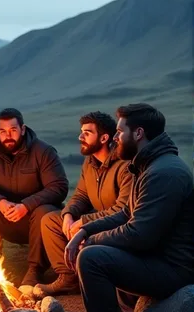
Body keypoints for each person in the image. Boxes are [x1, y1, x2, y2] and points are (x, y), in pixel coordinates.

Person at [65, 104, 194, 312]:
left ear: (138, 133)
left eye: (119, 131)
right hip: (159, 258)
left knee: (92, 258)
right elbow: (126, 213)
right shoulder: (148, 164)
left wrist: (90, 242)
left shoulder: (164, 173)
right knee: (95, 249)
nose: (114, 137)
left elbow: (139, 235)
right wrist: (85, 230)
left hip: (174, 269)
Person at [0, 108, 69, 289]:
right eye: (2, 131)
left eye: (13, 130)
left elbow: (59, 187)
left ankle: (35, 269)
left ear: (22, 129)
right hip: (4, 217)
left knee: (44, 211)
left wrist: (26, 205)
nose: (8, 136)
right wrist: (0, 201)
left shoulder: (43, 152)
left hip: (34, 220)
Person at [34, 112, 132, 298]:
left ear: (104, 138)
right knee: (51, 220)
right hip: (93, 221)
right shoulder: (90, 162)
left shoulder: (124, 166)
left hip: (116, 226)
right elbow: (81, 195)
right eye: (81, 132)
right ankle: (69, 279)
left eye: (87, 133)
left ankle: (100, 281)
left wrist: (84, 223)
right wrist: (69, 215)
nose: (80, 137)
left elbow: (123, 209)